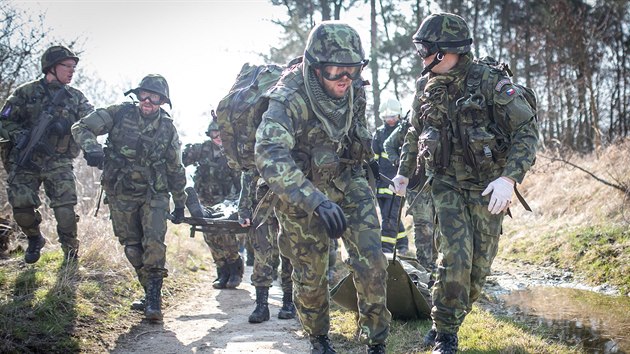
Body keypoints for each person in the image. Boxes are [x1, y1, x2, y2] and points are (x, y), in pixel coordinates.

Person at [391, 13, 538, 353]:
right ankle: (445, 331)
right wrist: (403, 170)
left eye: (427, 51)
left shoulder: (491, 81)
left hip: (489, 188)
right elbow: (414, 130)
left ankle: (450, 315)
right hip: (446, 184)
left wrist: (508, 178)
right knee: (454, 257)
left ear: (447, 51)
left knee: (477, 269)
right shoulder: (424, 85)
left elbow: (526, 131)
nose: (422, 59)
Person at [255, 21, 391, 354]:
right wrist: (315, 201)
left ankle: (377, 341)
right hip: (300, 191)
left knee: (373, 260)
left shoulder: (354, 88)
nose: (345, 79)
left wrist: (370, 160)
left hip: (348, 181)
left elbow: (355, 131)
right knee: (311, 275)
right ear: (316, 68)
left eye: (353, 70)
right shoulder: (288, 98)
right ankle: (319, 339)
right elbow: (269, 155)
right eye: (336, 72)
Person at [71, 74, 187, 322]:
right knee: (132, 246)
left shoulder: (168, 128)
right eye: (144, 95)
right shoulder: (119, 114)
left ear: (162, 101)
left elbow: (175, 168)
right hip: (120, 190)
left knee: (154, 243)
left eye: (154, 97)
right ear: (137, 95)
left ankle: (154, 300)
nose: (148, 101)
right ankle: (148, 292)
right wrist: (91, 147)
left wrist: (180, 202)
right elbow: (81, 127)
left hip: (153, 192)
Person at [0, 45, 93, 264]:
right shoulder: (26, 92)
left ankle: (71, 252)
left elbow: (91, 122)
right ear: (51, 67)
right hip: (26, 159)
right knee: (21, 207)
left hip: (58, 160)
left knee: (65, 212)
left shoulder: (76, 97)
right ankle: (34, 238)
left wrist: (79, 135)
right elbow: (4, 120)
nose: (71, 71)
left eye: (74, 67)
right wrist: (19, 135)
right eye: (67, 66)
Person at [182, 119, 244, 289]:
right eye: (214, 133)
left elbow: (242, 178)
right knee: (210, 236)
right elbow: (179, 160)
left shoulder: (233, 152)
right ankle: (221, 271)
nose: (217, 137)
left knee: (226, 235)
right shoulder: (202, 149)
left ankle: (234, 269)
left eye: (221, 133)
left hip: (227, 201)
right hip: (205, 201)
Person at [383, 104, 436, 272]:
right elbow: (388, 144)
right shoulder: (408, 125)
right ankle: (426, 265)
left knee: (439, 224)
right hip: (416, 183)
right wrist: (400, 163)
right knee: (423, 225)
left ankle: (438, 263)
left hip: (440, 180)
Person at [238, 170, 295, 323]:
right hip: (262, 207)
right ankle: (262, 306)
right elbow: (247, 173)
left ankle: (289, 301)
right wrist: (243, 210)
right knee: (262, 255)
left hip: (289, 204)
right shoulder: (258, 148)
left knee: (289, 253)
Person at [372, 97, 408, 255]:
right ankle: (402, 242)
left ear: (399, 114)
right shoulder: (378, 134)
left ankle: (386, 248)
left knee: (389, 216)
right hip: (381, 183)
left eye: (393, 116)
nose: (390, 119)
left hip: (398, 182)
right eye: (387, 117)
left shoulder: (404, 132)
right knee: (389, 215)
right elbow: (374, 158)